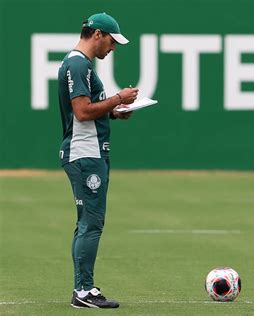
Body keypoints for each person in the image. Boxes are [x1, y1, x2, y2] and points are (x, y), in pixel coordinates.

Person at [57, 12, 138, 309]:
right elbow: (81, 112)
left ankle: (83, 289)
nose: (113, 48)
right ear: (99, 35)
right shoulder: (78, 64)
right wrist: (117, 99)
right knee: (91, 223)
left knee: (87, 223)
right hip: (85, 153)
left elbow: (90, 110)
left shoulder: (80, 64)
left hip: (90, 150)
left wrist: (115, 112)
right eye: (112, 41)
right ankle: (83, 290)